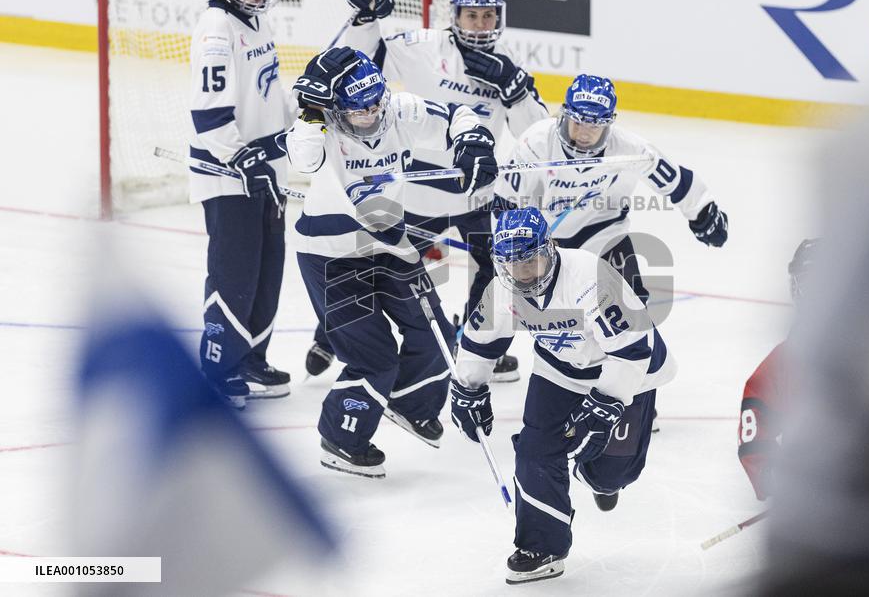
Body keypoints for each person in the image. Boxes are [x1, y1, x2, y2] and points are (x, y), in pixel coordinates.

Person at [302, 0, 549, 382]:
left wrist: (514, 89)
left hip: (476, 190)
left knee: (502, 266)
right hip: (418, 191)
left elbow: (537, 135)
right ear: (454, 15)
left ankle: (477, 344)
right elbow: (359, 62)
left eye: (489, 16)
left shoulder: (509, 61)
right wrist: (365, 18)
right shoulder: (421, 47)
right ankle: (329, 336)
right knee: (374, 265)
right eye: (472, 15)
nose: (481, 24)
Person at [285, 46, 498, 478]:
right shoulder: (316, 125)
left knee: (436, 332)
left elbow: (457, 114)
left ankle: (410, 402)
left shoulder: (398, 110)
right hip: (333, 260)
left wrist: (473, 142)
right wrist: (310, 106)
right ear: (335, 107)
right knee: (375, 359)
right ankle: (342, 439)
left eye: (375, 104)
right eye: (358, 110)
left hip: (389, 245)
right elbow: (303, 159)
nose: (371, 115)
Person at [451, 207, 677, 584]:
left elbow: (632, 351)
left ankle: (601, 480)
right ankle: (542, 544)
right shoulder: (504, 287)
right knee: (535, 452)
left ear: (550, 249)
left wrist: (605, 405)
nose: (523, 274)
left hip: (629, 373)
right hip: (560, 371)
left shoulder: (589, 278)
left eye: (532, 262)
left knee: (609, 475)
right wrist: (467, 388)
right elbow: (479, 343)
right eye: (513, 265)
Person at [495, 74, 728, 307]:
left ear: (609, 124)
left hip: (603, 232)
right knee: (552, 319)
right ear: (564, 115)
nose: (585, 133)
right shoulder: (535, 142)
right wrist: (519, 241)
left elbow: (675, 179)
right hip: (543, 241)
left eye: (594, 125)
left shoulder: (627, 148)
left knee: (632, 307)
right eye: (578, 122)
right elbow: (505, 200)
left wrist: (703, 212)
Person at [738, 239, 869, 501]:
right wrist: (774, 475)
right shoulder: (784, 361)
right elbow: (754, 425)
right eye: (806, 285)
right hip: (817, 513)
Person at [189, 0, 296, 408]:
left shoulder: (257, 21)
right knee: (234, 272)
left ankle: (251, 356)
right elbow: (209, 116)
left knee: (267, 269)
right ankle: (219, 366)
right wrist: (243, 158)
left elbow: (269, 95)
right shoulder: (216, 30)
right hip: (229, 172)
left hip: (266, 171)